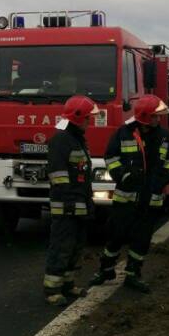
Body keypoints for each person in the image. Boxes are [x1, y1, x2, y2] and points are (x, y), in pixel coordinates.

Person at [88, 94, 169, 293]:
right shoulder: (124, 133)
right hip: (125, 197)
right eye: (155, 116)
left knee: (142, 238)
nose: (159, 119)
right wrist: (123, 175)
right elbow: (111, 157)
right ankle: (106, 270)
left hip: (151, 199)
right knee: (115, 234)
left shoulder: (164, 136)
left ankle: (133, 274)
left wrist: (161, 180)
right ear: (146, 116)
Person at [43, 95, 101, 306]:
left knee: (76, 245)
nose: (90, 121)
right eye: (87, 118)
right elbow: (58, 174)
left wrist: (87, 202)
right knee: (62, 246)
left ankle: (68, 284)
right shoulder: (61, 139)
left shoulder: (76, 138)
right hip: (65, 205)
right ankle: (52, 290)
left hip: (79, 203)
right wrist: (68, 201)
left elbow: (82, 174)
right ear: (78, 117)